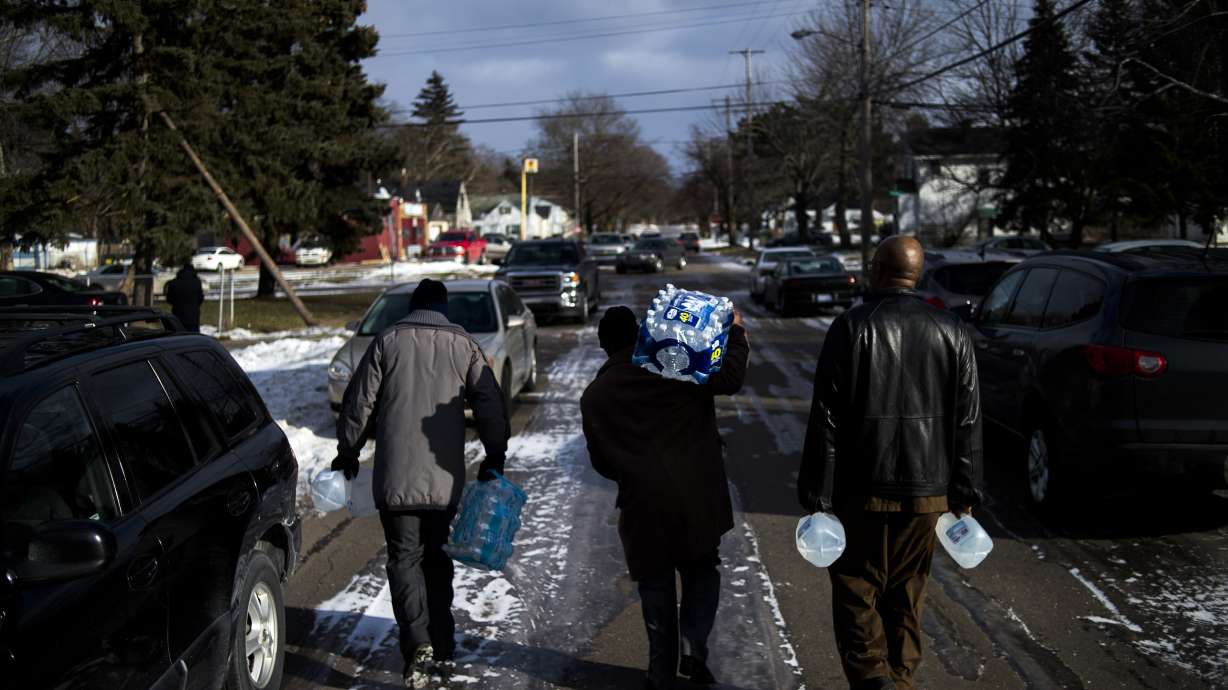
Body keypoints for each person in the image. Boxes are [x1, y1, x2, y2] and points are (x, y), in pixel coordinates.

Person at [797, 236, 982, 690]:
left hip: (860, 491)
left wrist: (818, 495)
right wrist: (965, 493)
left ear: (878, 268)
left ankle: (873, 677)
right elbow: (968, 421)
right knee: (908, 593)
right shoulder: (951, 330)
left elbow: (826, 418)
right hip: (928, 494)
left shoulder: (850, 326)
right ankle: (899, 679)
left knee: (856, 590)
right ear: (915, 274)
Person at [334, 278, 509, 689]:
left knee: (404, 559)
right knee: (436, 557)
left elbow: (359, 401)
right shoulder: (464, 344)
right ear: (444, 308)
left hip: (396, 477)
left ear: (412, 306)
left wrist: (348, 450)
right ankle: (443, 641)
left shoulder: (386, 341)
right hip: (444, 478)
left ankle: (417, 642)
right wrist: (495, 454)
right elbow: (489, 401)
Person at [580, 305, 750, 690]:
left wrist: (633, 469)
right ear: (640, 335)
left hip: (643, 506)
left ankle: (660, 674)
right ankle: (693, 646)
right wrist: (736, 334)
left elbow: (602, 463)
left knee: (655, 587)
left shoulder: (595, 397)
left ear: (604, 346)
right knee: (702, 569)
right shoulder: (673, 365)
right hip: (697, 495)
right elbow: (729, 377)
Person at [164, 262, 204, 332]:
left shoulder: (174, 282)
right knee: (193, 335)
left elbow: (169, 299)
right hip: (193, 315)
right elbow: (200, 299)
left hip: (178, 314)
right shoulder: (197, 282)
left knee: (179, 335)